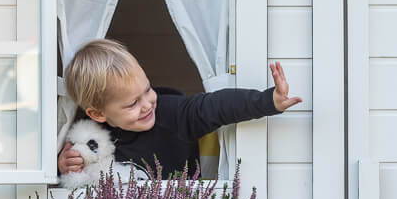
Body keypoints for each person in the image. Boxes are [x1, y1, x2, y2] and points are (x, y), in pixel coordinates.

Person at [57, 38, 300, 179]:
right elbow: (75, 178)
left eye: (147, 90)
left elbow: (216, 106)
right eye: (132, 103)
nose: (146, 105)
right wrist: (65, 166)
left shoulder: (174, 113)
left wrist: (269, 101)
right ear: (98, 113)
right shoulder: (89, 138)